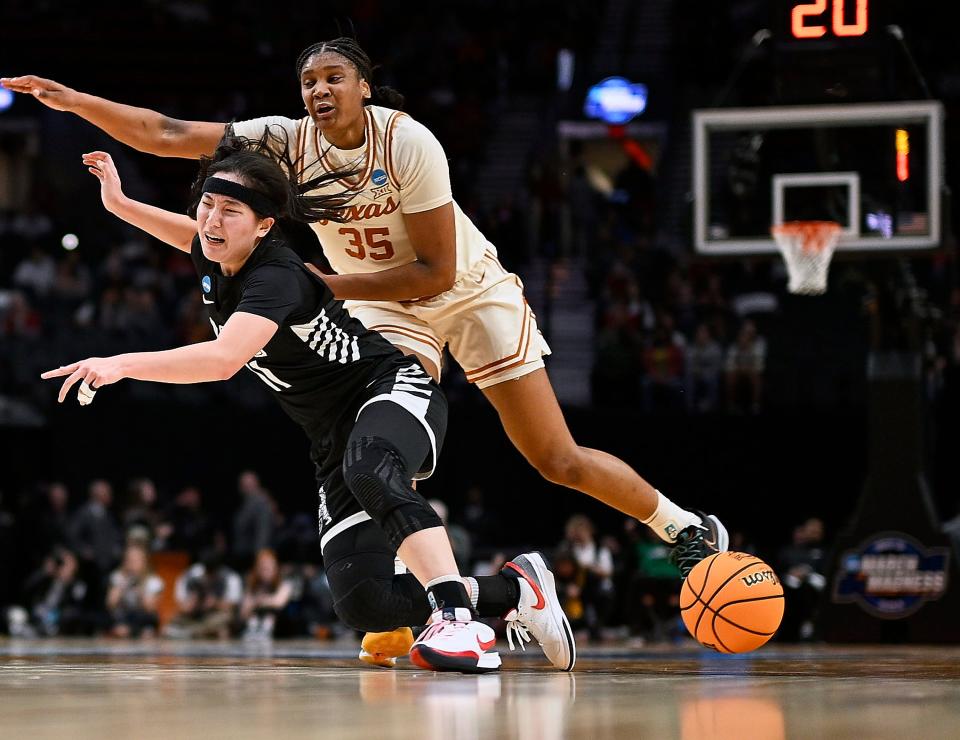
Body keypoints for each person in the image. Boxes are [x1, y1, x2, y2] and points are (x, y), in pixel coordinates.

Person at [3, 41, 726, 578]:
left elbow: (433, 268)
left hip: (465, 292)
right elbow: (163, 134)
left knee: (554, 459)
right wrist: (76, 103)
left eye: (333, 77)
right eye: (308, 80)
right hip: (386, 310)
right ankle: (423, 595)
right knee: (378, 445)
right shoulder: (284, 142)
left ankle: (684, 525)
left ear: (364, 87)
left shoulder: (406, 140)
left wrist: (318, 284)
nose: (319, 88)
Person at [40, 139, 573, 672]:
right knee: (364, 601)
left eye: (230, 211)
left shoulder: (276, 276)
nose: (212, 221)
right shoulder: (215, 249)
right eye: (207, 204)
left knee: (370, 465)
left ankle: (457, 621)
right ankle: (515, 589)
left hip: (390, 392)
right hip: (332, 436)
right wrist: (120, 204)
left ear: (265, 226)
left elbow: (225, 359)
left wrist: (119, 364)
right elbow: (188, 236)